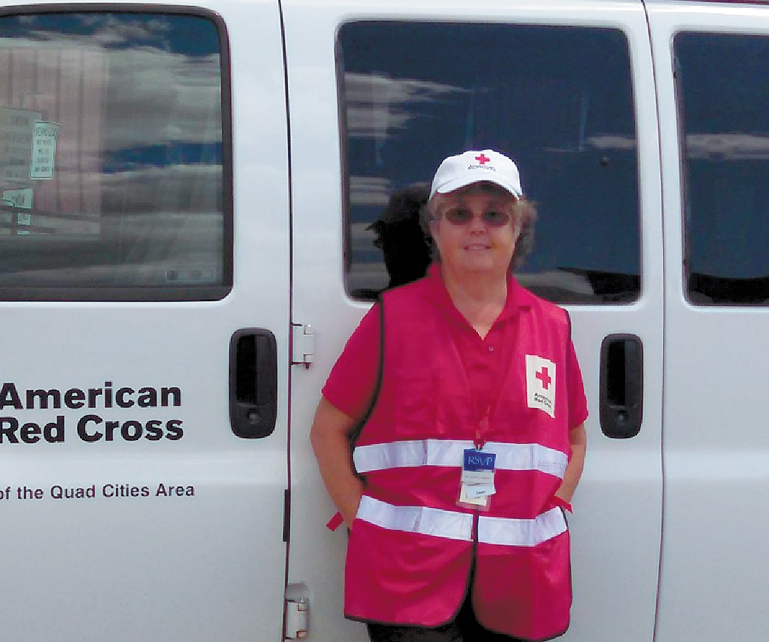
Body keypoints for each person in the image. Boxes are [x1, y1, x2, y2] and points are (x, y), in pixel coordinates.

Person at [311, 149, 588, 642]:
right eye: (459, 214)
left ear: (517, 228)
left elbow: (574, 437)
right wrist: (365, 519)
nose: (477, 227)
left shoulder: (552, 326)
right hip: (410, 578)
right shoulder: (392, 319)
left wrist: (558, 501)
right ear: (434, 229)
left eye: (494, 214)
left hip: (518, 578)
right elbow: (328, 429)